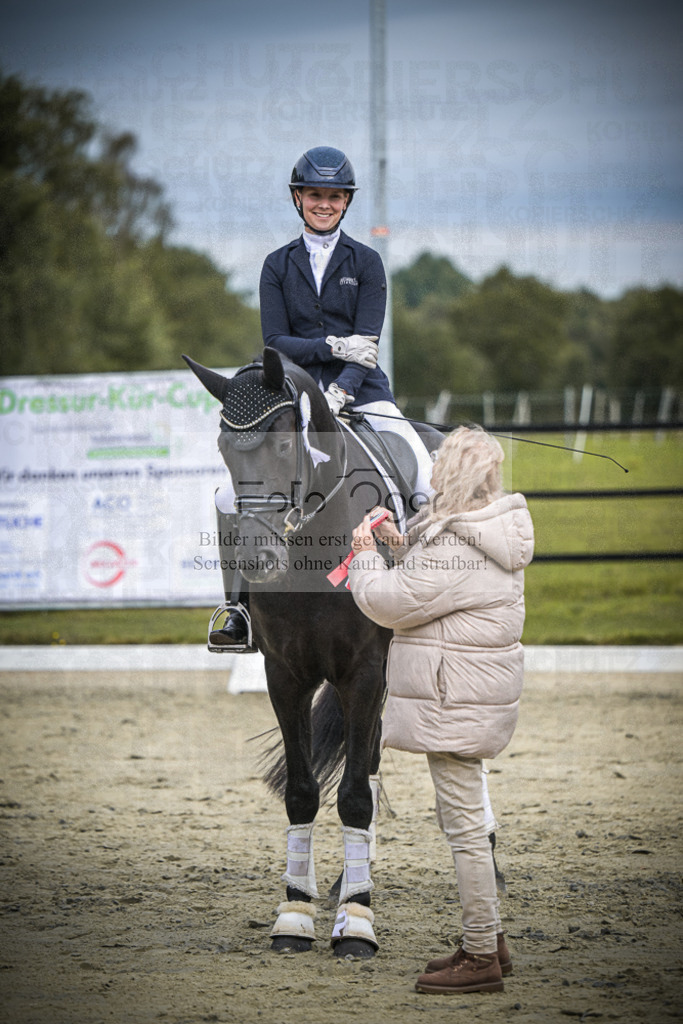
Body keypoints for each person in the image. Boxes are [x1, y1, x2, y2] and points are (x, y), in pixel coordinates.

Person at [210, 145, 433, 648]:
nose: (324, 204)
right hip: (293, 397)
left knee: (423, 473)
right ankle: (237, 609)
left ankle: (427, 588)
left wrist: (342, 389)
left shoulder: (367, 262)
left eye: (334, 196)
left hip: (364, 391)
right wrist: (331, 347)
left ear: (346, 202)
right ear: (298, 198)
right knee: (227, 496)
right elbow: (275, 342)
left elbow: (366, 346)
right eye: (315, 195)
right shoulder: (277, 265)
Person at [347, 426, 534, 995]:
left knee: (465, 827)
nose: (429, 473)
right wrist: (400, 547)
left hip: (456, 700)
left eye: (438, 464)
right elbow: (435, 577)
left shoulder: (458, 545)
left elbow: (389, 603)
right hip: (469, 695)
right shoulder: (484, 528)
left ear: (452, 474)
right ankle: (490, 939)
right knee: (466, 819)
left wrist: (364, 557)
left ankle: (480, 957)